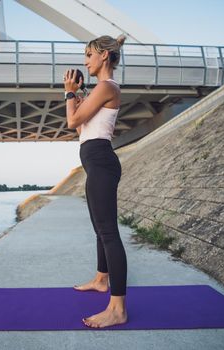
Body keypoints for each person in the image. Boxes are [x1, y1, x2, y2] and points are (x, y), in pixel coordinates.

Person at [63, 34, 128, 328]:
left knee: (109, 233)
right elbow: (81, 131)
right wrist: (76, 99)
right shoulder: (99, 90)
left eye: (88, 55)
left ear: (104, 56)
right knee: (100, 230)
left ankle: (118, 309)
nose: (84, 61)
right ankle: (102, 280)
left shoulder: (106, 86)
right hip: (95, 160)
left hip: (101, 162)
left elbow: (72, 122)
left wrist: (69, 95)